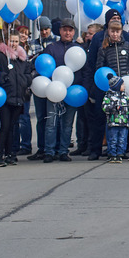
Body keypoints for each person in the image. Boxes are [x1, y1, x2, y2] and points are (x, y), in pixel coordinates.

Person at [89, 17, 129, 161]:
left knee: (126, 121)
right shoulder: (103, 49)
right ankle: (97, 150)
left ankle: (124, 149)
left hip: (126, 89)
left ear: (121, 32)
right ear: (108, 32)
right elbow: (99, 68)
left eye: (117, 31)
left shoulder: (128, 46)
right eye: (112, 31)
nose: (115, 34)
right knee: (102, 120)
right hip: (109, 91)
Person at [41, 18, 80, 162]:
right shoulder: (51, 48)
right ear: (60, 31)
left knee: (67, 124)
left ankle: (63, 151)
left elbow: (83, 70)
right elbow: (44, 69)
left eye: (70, 30)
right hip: (54, 90)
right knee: (51, 123)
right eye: (65, 30)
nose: (67, 33)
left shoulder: (78, 49)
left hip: (72, 92)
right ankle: (49, 152)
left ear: (74, 32)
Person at [0, 32, 31, 167]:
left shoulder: (21, 58)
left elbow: (28, 73)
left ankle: (10, 154)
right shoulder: (0, 57)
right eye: (11, 41)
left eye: (16, 41)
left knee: (13, 127)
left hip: (18, 97)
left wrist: (25, 81)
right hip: (4, 97)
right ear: (6, 41)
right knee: (4, 126)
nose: (13, 44)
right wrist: (5, 78)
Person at [26, 16, 55, 161]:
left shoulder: (55, 42)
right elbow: (29, 63)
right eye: (42, 29)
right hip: (38, 85)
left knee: (53, 118)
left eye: (46, 29)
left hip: (54, 85)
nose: (44, 32)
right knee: (41, 118)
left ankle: (53, 148)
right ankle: (42, 148)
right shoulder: (33, 44)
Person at [103, 76, 129, 164]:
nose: (124, 86)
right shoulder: (109, 96)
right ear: (116, 86)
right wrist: (114, 108)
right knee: (113, 138)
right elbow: (105, 108)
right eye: (122, 85)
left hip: (124, 122)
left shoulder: (125, 96)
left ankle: (120, 153)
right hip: (113, 122)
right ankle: (112, 154)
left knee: (122, 138)